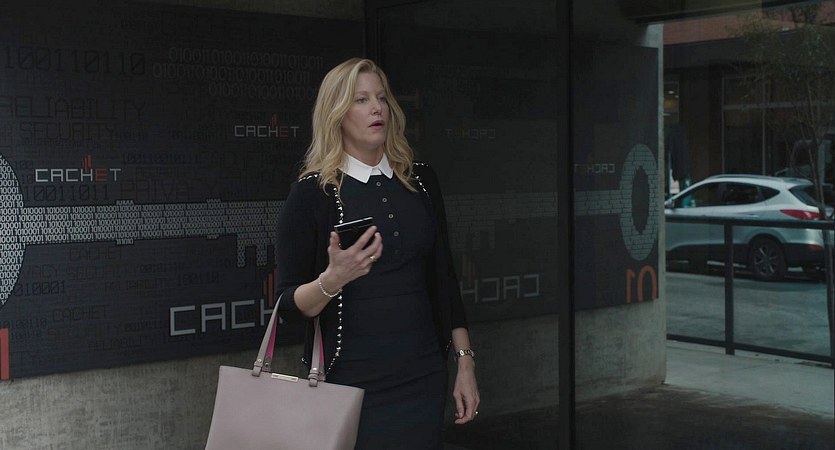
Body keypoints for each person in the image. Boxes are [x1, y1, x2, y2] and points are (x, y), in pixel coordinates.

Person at [275, 57, 480, 449]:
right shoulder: (312, 194)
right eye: (361, 100)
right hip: (351, 382)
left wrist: (465, 361)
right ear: (337, 114)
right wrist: (332, 280)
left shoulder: (421, 180)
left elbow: (445, 279)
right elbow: (286, 306)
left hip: (423, 376)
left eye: (382, 98)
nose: (376, 108)